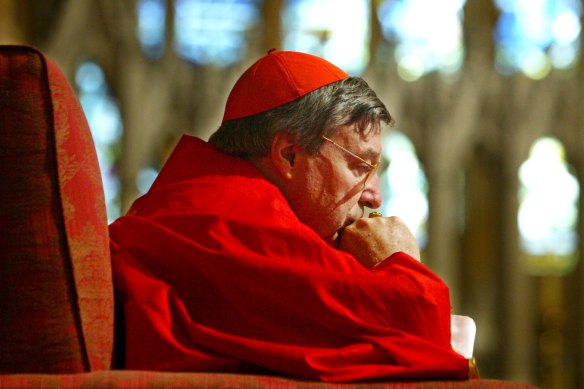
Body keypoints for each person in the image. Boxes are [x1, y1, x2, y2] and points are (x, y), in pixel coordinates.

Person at [110, 50, 472, 382]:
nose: (374, 196)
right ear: (288, 155)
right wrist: (400, 262)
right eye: (361, 165)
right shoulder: (235, 222)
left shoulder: (216, 203)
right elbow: (417, 326)